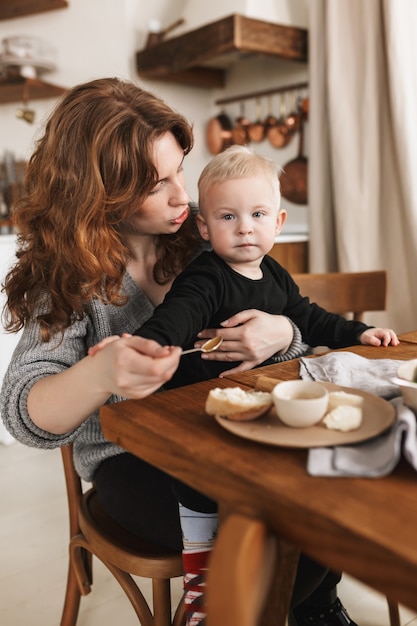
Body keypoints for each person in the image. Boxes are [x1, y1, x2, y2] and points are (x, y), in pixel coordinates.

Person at [0, 78, 321, 626]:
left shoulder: (206, 237)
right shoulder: (68, 275)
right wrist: (100, 372)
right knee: (277, 521)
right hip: (134, 462)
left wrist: (281, 333)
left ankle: (308, 607)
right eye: (156, 185)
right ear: (99, 191)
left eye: (180, 171)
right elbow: (24, 414)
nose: (182, 196)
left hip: (224, 434)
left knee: (324, 493)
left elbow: (301, 333)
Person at [92, 144, 399, 625]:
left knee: (322, 478)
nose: (244, 228)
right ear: (204, 226)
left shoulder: (274, 273)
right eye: (228, 216)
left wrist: (358, 332)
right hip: (199, 415)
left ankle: (318, 606)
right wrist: (144, 345)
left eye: (257, 215)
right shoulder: (205, 276)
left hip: (259, 413)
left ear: (277, 222)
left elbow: (308, 317)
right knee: (203, 487)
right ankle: (203, 588)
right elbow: (176, 317)